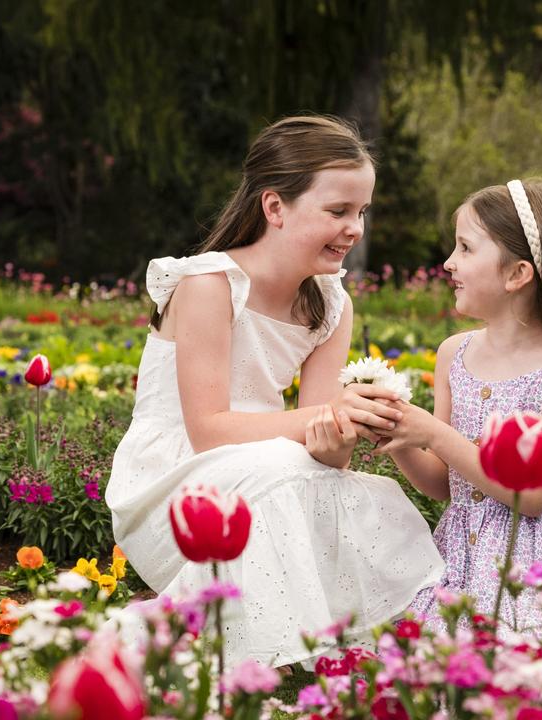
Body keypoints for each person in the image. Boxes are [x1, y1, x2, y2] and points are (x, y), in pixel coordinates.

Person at [105, 116, 444, 666]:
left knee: (365, 497)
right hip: (172, 481)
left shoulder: (331, 305)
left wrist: (347, 429)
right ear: (275, 208)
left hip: (268, 465)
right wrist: (325, 416)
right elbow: (209, 429)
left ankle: (342, 647)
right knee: (286, 473)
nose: (354, 227)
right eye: (337, 211)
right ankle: (208, 641)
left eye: (361, 211)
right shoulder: (210, 285)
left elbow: (320, 452)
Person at [377, 178, 542, 647]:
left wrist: (433, 432)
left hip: (540, 566)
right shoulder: (453, 354)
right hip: (462, 558)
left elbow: (535, 495)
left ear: (516, 275)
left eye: (465, 248)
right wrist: (397, 433)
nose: (448, 262)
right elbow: (444, 484)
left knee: (516, 664)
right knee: (431, 666)